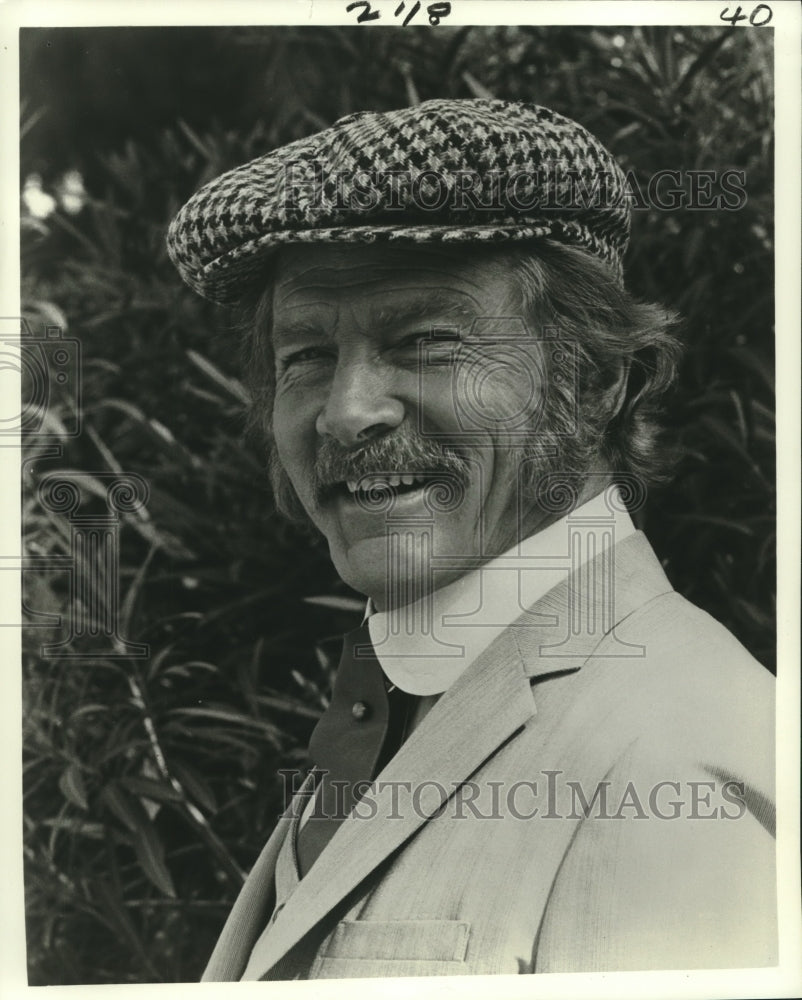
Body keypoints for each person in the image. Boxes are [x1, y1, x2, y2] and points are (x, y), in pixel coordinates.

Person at [167, 99, 776, 979]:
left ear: (600, 380)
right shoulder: (419, 689)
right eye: (305, 356)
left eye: (426, 341)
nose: (345, 412)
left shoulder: (683, 753)